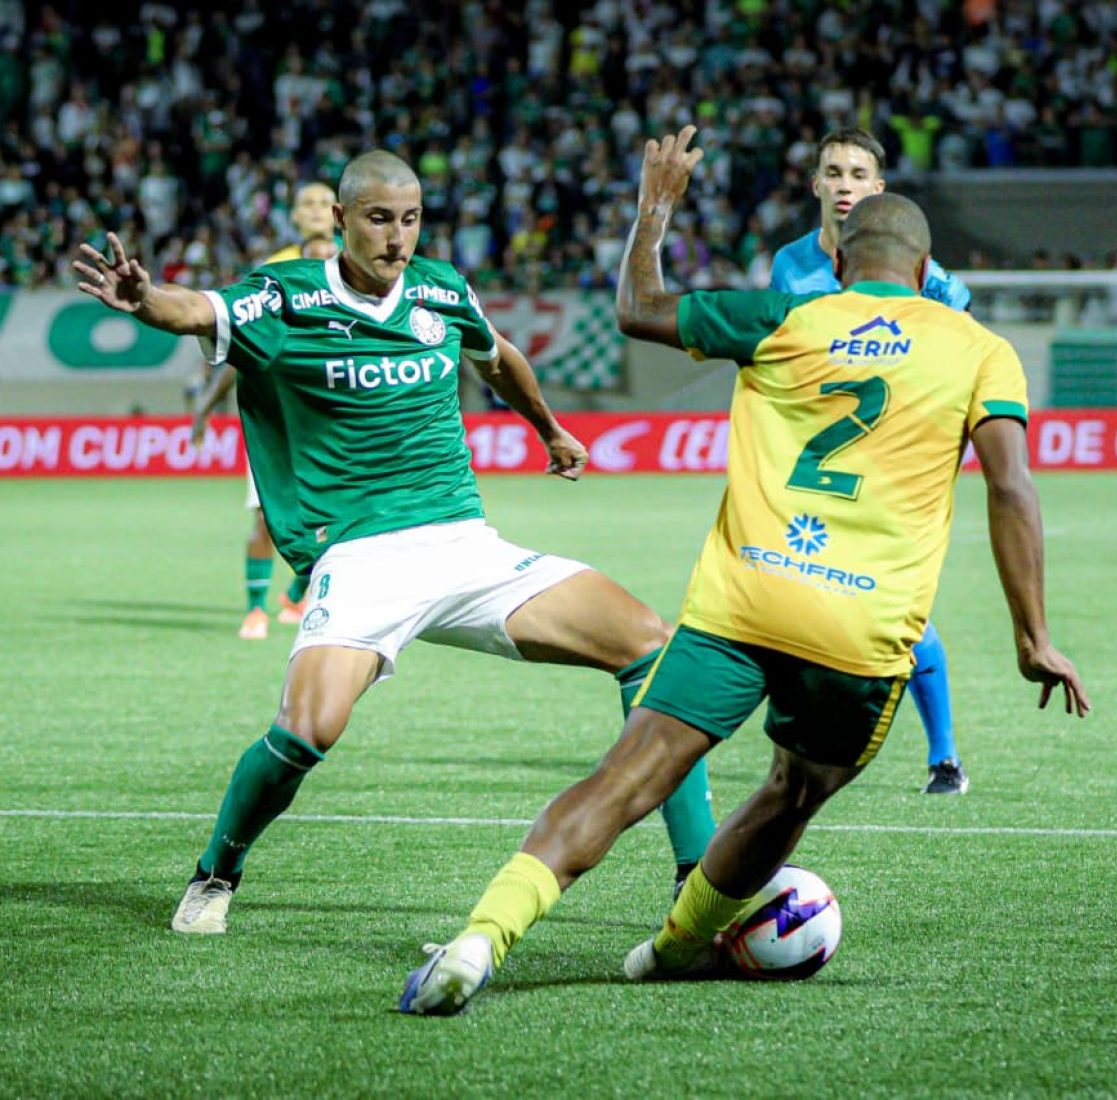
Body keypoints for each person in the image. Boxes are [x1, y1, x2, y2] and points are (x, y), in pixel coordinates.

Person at [399, 126, 1089, 1017]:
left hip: (741, 602)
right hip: (861, 630)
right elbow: (1012, 489)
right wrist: (1033, 637)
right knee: (792, 789)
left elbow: (639, 308)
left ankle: (479, 939)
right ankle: (674, 948)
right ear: (926, 274)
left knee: (625, 779)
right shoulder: (978, 348)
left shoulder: (785, 316)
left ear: (843, 268)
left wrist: (656, 205)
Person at [73, 149, 717, 935]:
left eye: (410, 219)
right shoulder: (286, 298)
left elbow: (498, 358)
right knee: (306, 730)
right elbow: (196, 310)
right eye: (380, 219)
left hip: (463, 544)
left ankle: (697, 874)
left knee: (651, 644)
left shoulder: (441, 290)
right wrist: (145, 301)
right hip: (361, 558)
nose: (397, 237)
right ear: (341, 221)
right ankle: (216, 872)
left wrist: (548, 428)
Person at [771, 127, 973, 796]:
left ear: (877, 189)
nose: (847, 183)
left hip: (891, 461)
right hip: (817, 465)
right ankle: (816, 739)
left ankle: (944, 757)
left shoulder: (919, 270)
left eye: (860, 172)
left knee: (898, 607)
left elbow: (962, 329)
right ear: (817, 185)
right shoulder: (789, 267)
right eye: (835, 171)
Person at [190, 182, 339, 640]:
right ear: (292, 217)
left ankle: (297, 593)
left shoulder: (360, 268)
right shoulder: (273, 272)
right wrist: (208, 407)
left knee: (343, 517)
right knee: (267, 517)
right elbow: (246, 349)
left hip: (341, 413)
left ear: (339, 212)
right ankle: (256, 610)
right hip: (281, 418)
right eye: (305, 203)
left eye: (322, 202)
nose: (314, 210)